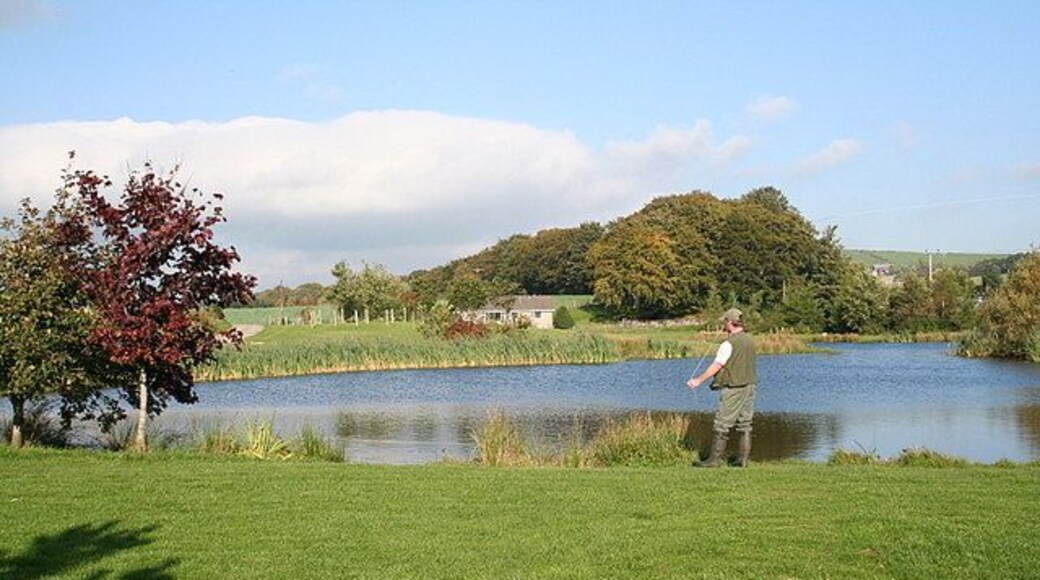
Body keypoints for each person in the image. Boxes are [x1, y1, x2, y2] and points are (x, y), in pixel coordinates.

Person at [686, 308, 758, 467]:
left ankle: (714, 461)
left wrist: (698, 380)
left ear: (731, 322)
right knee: (745, 423)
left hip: (734, 387)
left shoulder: (728, 344)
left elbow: (717, 365)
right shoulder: (750, 340)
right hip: (750, 385)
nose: (723, 324)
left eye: (725, 321)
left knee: (721, 423)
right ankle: (743, 460)